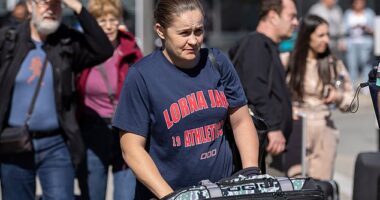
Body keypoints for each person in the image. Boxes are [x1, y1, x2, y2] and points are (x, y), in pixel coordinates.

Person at [112, 0, 260, 198]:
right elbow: (131, 148)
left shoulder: (217, 62)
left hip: (223, 191)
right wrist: (170, 196)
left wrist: (250, 173)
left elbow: (241, 121)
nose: (193, 40)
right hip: (166, 193)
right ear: (160, 30)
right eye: (184, 33)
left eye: (198, 31)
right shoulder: (142, 76)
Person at [0, 0, 113, 199]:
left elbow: (103, 49)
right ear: (30, 6)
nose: (51, 9)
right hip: (12, 143)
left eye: (57, 5)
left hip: (56, 145)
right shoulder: (9, 40)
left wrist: (78, 7)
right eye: (45, 3)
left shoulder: (66, 43)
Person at [76, 0, 143, 199]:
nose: (108, 25)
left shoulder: (129, 47)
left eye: (113, 19)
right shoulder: (82, 49)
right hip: (92, 131)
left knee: (127, 195)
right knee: (93, 193)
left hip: (125, 131)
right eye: (102, 20)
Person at [229, 0, 298, 173]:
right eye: (292, 16)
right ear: (273, 17)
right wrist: (273, 128)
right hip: (263, 143)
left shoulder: (267, 46)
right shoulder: (256, 45)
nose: (296, 22)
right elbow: (255, 90)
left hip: (269, 143)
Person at [286, 15, 354, 180]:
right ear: (307, 36)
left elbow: (352, 101)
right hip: (296, 128)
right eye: (321, 35)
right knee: (295, 185)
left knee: (321, 187)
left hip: (324, 128)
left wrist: (337, 96)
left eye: (328, 35)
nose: (326, 40)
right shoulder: (289, 61)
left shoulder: (333, 64)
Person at [343, 0, 375, 83]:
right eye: (357, 2)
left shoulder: (369, 13)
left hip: (365, 43)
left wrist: (366, 28)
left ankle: (366, 86)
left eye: (362, 2)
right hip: (351, 43)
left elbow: (374, 30)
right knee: (352, 66)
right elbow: (343, 30)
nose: (359, 4)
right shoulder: (348, 13)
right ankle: (352, 87)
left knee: (366, 66)